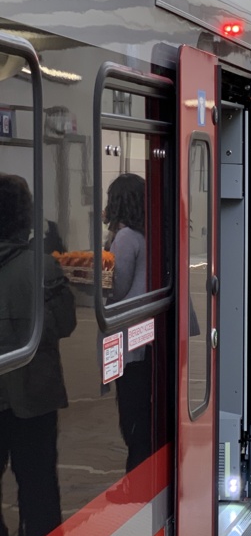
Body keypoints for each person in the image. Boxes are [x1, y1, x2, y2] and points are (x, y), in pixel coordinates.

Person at [0, 173, 75, 536]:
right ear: (23, 216)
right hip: (36, 395)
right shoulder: (41, 265)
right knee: (39, 487)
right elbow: (64, 324)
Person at [104, 173, 152, 474]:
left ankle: (136, 480)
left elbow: (116, 287)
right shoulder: (150, 232)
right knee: (145, 412)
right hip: (148, 336)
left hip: (132, 341)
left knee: (132, 414)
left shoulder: (125, 238)